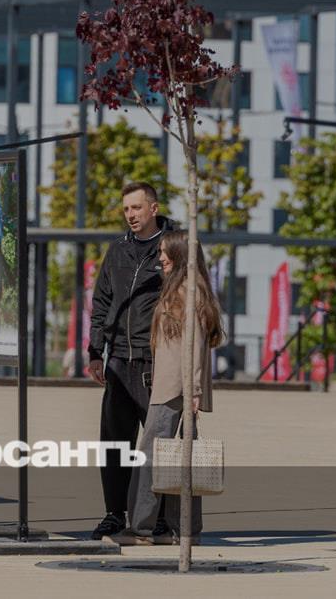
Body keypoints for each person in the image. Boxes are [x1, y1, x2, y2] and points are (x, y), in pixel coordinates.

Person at [117, 230, 223, 545]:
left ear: (180, 255)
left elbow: (194, 343)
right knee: (180, 457)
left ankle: (142, 530)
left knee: (151, 456)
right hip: (174, 385)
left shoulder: (188, 292)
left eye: (165, 252)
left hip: (175, 387)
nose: (160, 257)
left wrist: (193, 390)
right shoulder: (183, 289)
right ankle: (184, 530)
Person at [86, 182, 174, 540]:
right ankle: (114, 513)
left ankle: (162, 517)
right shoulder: (118, 249)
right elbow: (102, 302)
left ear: (154, 208)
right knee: (114, 443)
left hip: (157, 362)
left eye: (136, 208)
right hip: (119, 360)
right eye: (126, 209)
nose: (130, 215)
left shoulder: (174, 247)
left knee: (159, 446)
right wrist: (96, 351)